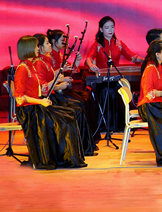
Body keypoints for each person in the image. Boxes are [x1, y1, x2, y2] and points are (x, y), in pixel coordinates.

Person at [13, 35, 86, 169]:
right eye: (36, 46)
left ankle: (65, 157)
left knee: (69, 114)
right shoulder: (22, 68)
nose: (38, 48)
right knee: (64, 120)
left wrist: (56, 84)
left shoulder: (31, 66)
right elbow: (20, 98)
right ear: (28, 48)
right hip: (29, 111)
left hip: (37, 105)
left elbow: (40, 88)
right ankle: (63, 158)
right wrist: (41, 102)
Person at [31, 33, 95, 157]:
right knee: (77, 109)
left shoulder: (46, 60)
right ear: (40, 47)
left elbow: (56, 76)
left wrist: (60, 79)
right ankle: (77, 149)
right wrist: (59, 85)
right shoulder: (40, 62)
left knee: (81, 104)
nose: (50, 45)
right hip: (48, 99)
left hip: (53, 94)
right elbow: (42, 88)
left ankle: (84, 147)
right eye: (47, 43)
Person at [83, 16, 144, 132]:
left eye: (112, 27)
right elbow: (89, 58)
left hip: (115, 79)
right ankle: (105, 126)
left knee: (120, 90)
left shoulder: (119, 44)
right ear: (101, 29)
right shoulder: (97, 45)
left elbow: (132, 56)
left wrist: (145, 59)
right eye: (107, 28)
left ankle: (118, 125)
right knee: (107, 90)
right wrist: (91, 65)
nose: (110, 30)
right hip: (102, 80)